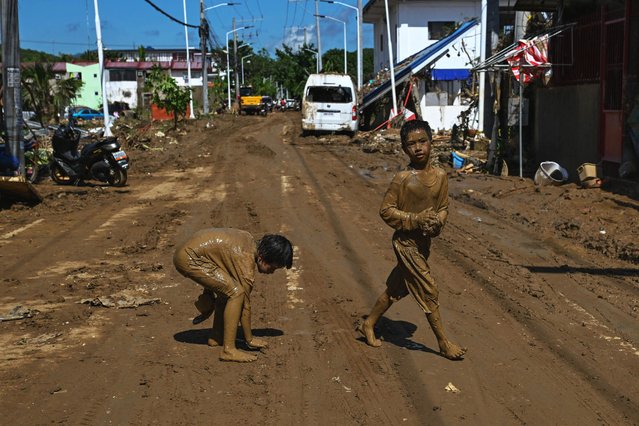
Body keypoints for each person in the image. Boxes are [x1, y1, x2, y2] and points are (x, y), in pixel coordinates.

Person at [357, 120, 467, 360]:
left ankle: (369, 323)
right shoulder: (403, 179)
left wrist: (438, 221)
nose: (418, 148)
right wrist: (415, 219)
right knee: (429, 290)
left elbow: (444, 207)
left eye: (422, 142)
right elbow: (386, 211)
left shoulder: (440, 176)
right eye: (411, 144)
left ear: (431, 142)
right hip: (405, 244)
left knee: (395, 289)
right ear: (405, 149)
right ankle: (443, 342)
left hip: (423, 244)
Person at [174, 228, 293, 362]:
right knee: (236, 293)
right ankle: (228, 350)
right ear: (262, 258)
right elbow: (245, 305)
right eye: (272, 268)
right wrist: (250, 339)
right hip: (189, 258)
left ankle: (216, 337)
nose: (271, 273)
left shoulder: (248, 239)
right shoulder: (245, 259)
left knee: (227, 292)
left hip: (188, 252)